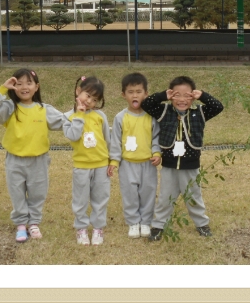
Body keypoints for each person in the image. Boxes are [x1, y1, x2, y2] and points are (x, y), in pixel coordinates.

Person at [0, 68, 65, 243]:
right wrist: (3, 88)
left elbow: (64, 121)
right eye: (19, 83)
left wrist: (80, 115)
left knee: (38, 193)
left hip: (39, 160)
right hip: (15, 160)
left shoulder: (44, 109)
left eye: (29, 83)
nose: (24, 87)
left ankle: (34, 223)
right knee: (17, 193)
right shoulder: (9, 108)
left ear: (36, 87)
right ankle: (21, 225)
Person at [141, 75, 224, 241]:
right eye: (177, 95)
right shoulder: (164, 111)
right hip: (169, 165)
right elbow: (146, 104)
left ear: (193, 96)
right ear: (171, 95)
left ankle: (201, 224)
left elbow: (218, 106)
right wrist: (163, 95)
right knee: (165, 198)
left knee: (194, 197)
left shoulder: (200, 112)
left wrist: (203, 96)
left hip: (190, 165)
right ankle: (158, 226)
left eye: (187, 95)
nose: (182, 99)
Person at [63, 76, 114, 246]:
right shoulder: (68, 117)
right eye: (88, 95)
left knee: (101, 198)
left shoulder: (100, 116)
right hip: (81, 166)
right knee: (80, 199)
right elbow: (73, 135)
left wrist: (112, 160)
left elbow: (108, 139)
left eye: (95, 99)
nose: (90, 101)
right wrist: (79, 115)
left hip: (101, 165)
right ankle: (81, 228)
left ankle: (98, 228)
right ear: (78, 91)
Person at [110, 72, 161, 239]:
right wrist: (114, 161)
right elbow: (115, 141)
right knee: (130, 194)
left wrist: (156, 153)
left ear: (146, 93)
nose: (135, 95)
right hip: (127, 164)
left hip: (148, 164)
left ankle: (146, 222)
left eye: (139, 91)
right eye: (130, 92)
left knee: (148, 193)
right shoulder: (120, 117)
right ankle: (133, 222)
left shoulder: (151, 116)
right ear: (123, 95)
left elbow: (156, 137)